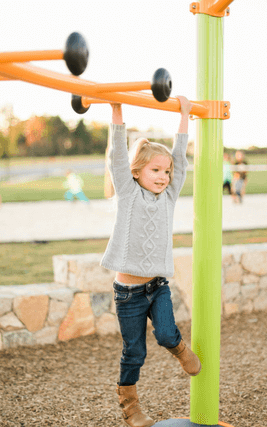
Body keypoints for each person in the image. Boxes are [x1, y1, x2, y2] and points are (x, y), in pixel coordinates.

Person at [101, 97, 201, 427]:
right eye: (155, 170)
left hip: (157, 286)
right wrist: (117, 113)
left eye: (166, 171)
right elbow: (117, 157)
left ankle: (180, 349)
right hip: (128, 294)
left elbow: (182, 162)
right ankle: (130, 405)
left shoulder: (169, 197)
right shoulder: (127, 194)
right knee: (135, 352)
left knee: (167, 335)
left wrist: (185, 116)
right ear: (137, 171)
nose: (162, 176)